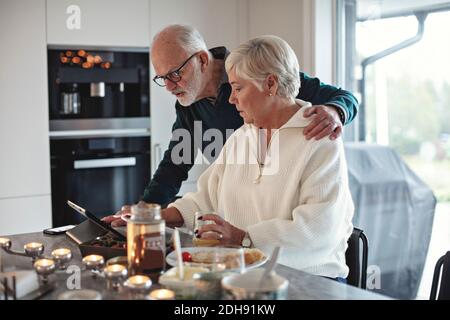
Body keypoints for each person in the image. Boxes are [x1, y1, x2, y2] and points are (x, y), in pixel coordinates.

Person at [103, 24, 358, 225]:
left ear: (202, 60)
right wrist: (145, 215)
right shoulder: (190, 105)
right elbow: (175, 167)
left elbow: (344, 97)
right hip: (240, 224)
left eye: (174, 74)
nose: (168, 86)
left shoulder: (261, 74)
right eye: (162, 78)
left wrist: (336, 110)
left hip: (282, 227)